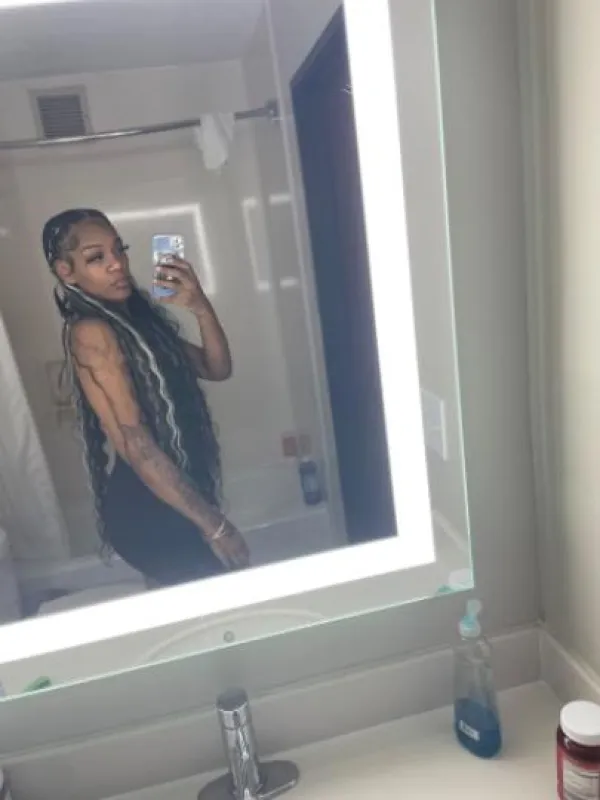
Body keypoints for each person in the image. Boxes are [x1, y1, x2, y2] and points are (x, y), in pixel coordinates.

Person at [42, 208, 249, 586]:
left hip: (168, 496)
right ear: (66, 271)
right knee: (214, 598)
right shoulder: (91, 332)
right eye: (96, 257)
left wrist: (199, 306)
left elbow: (216, 367)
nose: (117, 264)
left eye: (119, 250)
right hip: (146, 508)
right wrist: (215, 526)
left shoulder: (137, 324)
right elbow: (136, 444)